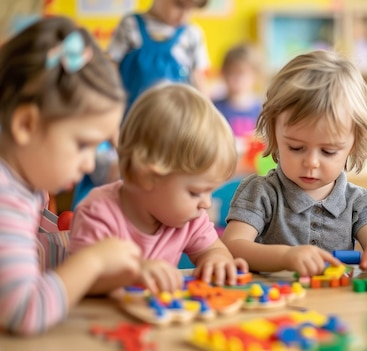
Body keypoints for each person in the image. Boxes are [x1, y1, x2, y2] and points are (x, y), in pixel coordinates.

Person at [0, 17, 142, 335]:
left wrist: (79, 244)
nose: (90, 164)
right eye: (83, 144)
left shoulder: (23, 185)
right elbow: (24, 310)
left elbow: (29, 249)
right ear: (26, 125)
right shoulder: (5, 196)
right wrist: (92, 262)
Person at [221, 50, 367, 277]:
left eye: (328, 151)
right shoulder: (261, 193)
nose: (311, 163)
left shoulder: (359, 202)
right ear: (274, 134)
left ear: (353, 144)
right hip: (275, 305)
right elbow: (232, 246)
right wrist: (286, 257)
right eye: (296, 148)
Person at [70, 83, 247, 295]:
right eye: (195, 192)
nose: (207, 203)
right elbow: (79, 282)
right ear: (148, 177)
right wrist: (134, 274)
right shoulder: (98, 213)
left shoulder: (190, 218)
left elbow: (214, 250)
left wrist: (217, 261)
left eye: (210, 191)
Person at [108, 0, 211, 110]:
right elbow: (113, 65)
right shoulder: (130, 25)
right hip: (132, 112)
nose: (184, 15)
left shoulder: (192, 34)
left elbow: (198, 78)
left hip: (174, 116)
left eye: (190, 9)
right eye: (179, 5)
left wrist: (207, 110)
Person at [213, 43, 264, 176]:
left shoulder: (262, 110)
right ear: (223, 73)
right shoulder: (214, 108)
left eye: (241, 73)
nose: (235, 79)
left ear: (255, 76)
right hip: (225, 171)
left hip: (253, 172)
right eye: (231, 73)